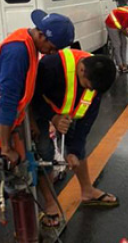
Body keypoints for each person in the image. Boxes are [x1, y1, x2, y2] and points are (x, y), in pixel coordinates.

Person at [32, 48, 117, 227]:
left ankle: (87, 191)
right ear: (81, 70)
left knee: (78, 151)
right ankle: (50, 203)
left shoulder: (96, 79)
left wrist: (74, 152)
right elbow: (33, 97)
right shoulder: (51, 66)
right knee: (44, 152)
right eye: (87, 85)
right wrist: (53, 117)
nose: (90, 90)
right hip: (40, 110)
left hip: (69, 114)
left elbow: (86, 122)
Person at [0, 9, 75, 164]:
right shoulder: (17, 52)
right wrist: (6, 147)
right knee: (11, 173)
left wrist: (31, 122)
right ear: (41, 35)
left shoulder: (31, 45)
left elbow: (25, 90)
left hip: (11, 121)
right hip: (4, 122)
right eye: (53, 48)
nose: (53, 53)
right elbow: (7, 99)